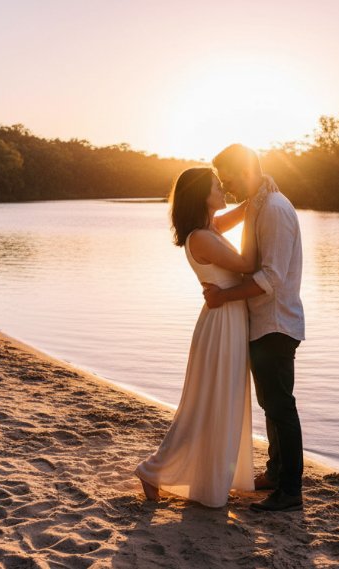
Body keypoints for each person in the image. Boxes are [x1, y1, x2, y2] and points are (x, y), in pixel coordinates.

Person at [134, 167, 257, 508]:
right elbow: (248, 262)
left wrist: (259, 195)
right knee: (205, 405)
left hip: (226, 320)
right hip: (221, 324)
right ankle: (152, 470)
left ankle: (208, 477)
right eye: (217, 186)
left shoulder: (208, 229)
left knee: (218, 402)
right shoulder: (201, 237)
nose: (223, 190)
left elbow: (242, 211)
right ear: (202, 195)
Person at [204, 144, 306, 513]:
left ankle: (291, 491)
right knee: (270, 404)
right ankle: (276, 474)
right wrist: (246, 204)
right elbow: (214, 226)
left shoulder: (275, 210)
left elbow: (272, 278)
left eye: (226, 175)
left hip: (276, 322)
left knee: (281, 406)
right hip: (263, 322)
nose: (224, 183)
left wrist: (225, 295)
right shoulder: (260, 204)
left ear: (242, 170)